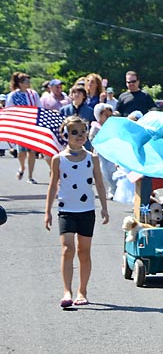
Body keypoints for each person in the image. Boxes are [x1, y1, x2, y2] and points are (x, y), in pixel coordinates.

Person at [44, 115, 110, 308]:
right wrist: (47, 211)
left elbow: (99, 182)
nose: (80, 136)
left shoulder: (92, 158)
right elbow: (53, 185)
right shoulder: (58, 159)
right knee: (67, 249)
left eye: (83, 132)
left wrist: (104, 208)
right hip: (66, 209)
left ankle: (83, 290)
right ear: (66, 135)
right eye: (75, 132)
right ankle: (67, 291)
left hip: (87, 209)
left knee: (84, 251)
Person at [6, 72, 42, 183]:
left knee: (31, 151)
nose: (28, 83)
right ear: (20, 83)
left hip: (32, 125)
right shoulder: (13, 95)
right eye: (26, 81)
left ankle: (30, 176)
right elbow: (9, 109)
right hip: (20, 125)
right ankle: (22, 167)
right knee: (21, 151)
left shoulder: (33, 94)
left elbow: (39, 107)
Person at [89, 103, 117, 199]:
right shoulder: (96, 127)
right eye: (106, 115)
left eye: (110, 116)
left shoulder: (112, 126)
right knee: (103, 171)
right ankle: (106, 190)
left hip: (111, 152)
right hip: (100, 153)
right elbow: (91, 138)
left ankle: (113, 189)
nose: (108, 118)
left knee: (112, 170)